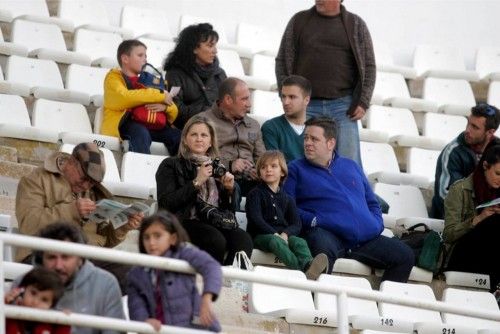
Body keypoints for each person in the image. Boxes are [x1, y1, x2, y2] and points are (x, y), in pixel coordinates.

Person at [284, 117, 414, 282]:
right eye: (306, 138)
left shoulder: (351, 166)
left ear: (331, 143)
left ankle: (381, 307)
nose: (308, 143)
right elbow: (288, 206)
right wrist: (314, 220)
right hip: (327, 234)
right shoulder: (295, 169)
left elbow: (372, 202)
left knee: (404, 255)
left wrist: (375, 223)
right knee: (322, 251)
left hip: (365, 239)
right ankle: (318, 303)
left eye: (314, 139)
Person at [275, 0, 376, 166]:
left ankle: (353, 193)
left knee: (349, 164)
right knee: (303, 162)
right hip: (306, 106)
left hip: (343, 108)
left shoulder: (356, 24)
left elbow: (369, 65)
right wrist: (287, 95)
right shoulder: (299, 21)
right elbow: (282, 60)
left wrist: (363, 100)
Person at [15, 142, 142, 268]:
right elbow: (28, 224)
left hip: (85, 258)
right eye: (84, 178)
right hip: (44, 255)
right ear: (71, 162)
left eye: (92, 183)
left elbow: (104, 241)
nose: (86, 186)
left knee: (129, 270)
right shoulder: (36, 180)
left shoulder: (92, 192)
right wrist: (72, 211)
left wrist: (121, 227)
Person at [156, 115, 253, 265]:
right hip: (184, 220)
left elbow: (228, 212)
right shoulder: (171, 164)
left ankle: (227, 280)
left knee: (244, 240)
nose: (199, 139)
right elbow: (165, 203)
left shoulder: (218, 169)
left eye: (204, 135)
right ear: (185, 140)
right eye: (194, 134)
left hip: (212, 220)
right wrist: (197, 182)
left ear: (210, 142)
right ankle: (210, 280)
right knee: (215, 239)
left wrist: (229, 191)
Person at [127, 212, 222, 332]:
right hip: (159, 330)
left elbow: (211, 266)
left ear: (173, 238)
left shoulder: (183, 253)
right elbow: (136, 304)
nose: (151, 242)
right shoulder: (137, 273)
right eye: (146, 237)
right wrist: (144, 321)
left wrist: (207, 298)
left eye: (157, 236)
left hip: (194, 327)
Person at [29, 223, 125, 334]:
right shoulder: (26, 283)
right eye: (51, 257)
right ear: (42, 259)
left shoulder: (106, 284)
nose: (58, 266)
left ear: (80, 258)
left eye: (66, 257)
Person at [246, 151, 328, 280]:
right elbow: (256, 219)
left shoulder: (287, 198)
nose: (268, 170)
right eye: (263, 167)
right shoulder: (255, 194)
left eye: (273, 166)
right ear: (259, 172)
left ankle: (308, 264)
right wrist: (275, 234)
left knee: (299, 241)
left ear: (282, 172)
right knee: (275, 241)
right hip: (261, 237)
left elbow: (296, 223)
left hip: (282, 237)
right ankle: (301, 272)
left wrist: (285, 234)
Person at [102, 39, 181, 154]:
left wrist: (165, 108)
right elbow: (123, 97)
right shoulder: (113, 77)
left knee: (178, 137)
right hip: (125, 124)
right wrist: (159, 95)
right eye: (140, 55)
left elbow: (174, 110)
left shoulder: (148, 80)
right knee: (141, 133)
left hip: (151, 124)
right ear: (125, 59)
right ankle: (141, 170)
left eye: (145, 56)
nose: (145, 59)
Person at [443, 143, 500, 292]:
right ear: (485, 166)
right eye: (498, 173)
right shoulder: (459, 190)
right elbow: (448, 235)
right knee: (492, 223)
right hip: (461, 254)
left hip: (490, 255)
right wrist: (479, 218)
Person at [431, 103, 500, 219]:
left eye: (475, 127)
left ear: (490, 132)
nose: (467, 130)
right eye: (468, 123)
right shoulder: (453, 153)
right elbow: (446, 196)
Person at [203, 77, 266, 196]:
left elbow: (261, 157)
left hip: (251, 182)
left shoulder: (253, 124)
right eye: (244, 99)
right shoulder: (204, 121)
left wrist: (259, 171)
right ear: (228, 99)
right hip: (219, 179)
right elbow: (195, 157)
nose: (249, 104)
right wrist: (230, 165)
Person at [164, 23, 227, 129]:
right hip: (189, 130)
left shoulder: (219, 73)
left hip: (218, 128)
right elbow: (175, 109)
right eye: (210, 46)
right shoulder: (175, 74)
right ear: (194, 48)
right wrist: (208, 112)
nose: (215, 51)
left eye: (215, 46)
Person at [5, 267, 70, 334]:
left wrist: (64, 321)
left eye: (44, 300)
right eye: (33, 293)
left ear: (51, 305)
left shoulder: (53, 324)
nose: (35, 302)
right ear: (23, 290)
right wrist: (5, 304)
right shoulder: (10, 312)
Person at [261, 75, 310, 163]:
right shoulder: (271, 127)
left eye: (292, 97)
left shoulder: (316, 128)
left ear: (306, 100)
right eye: (283, 97)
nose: (286, 102)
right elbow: (274, 167)